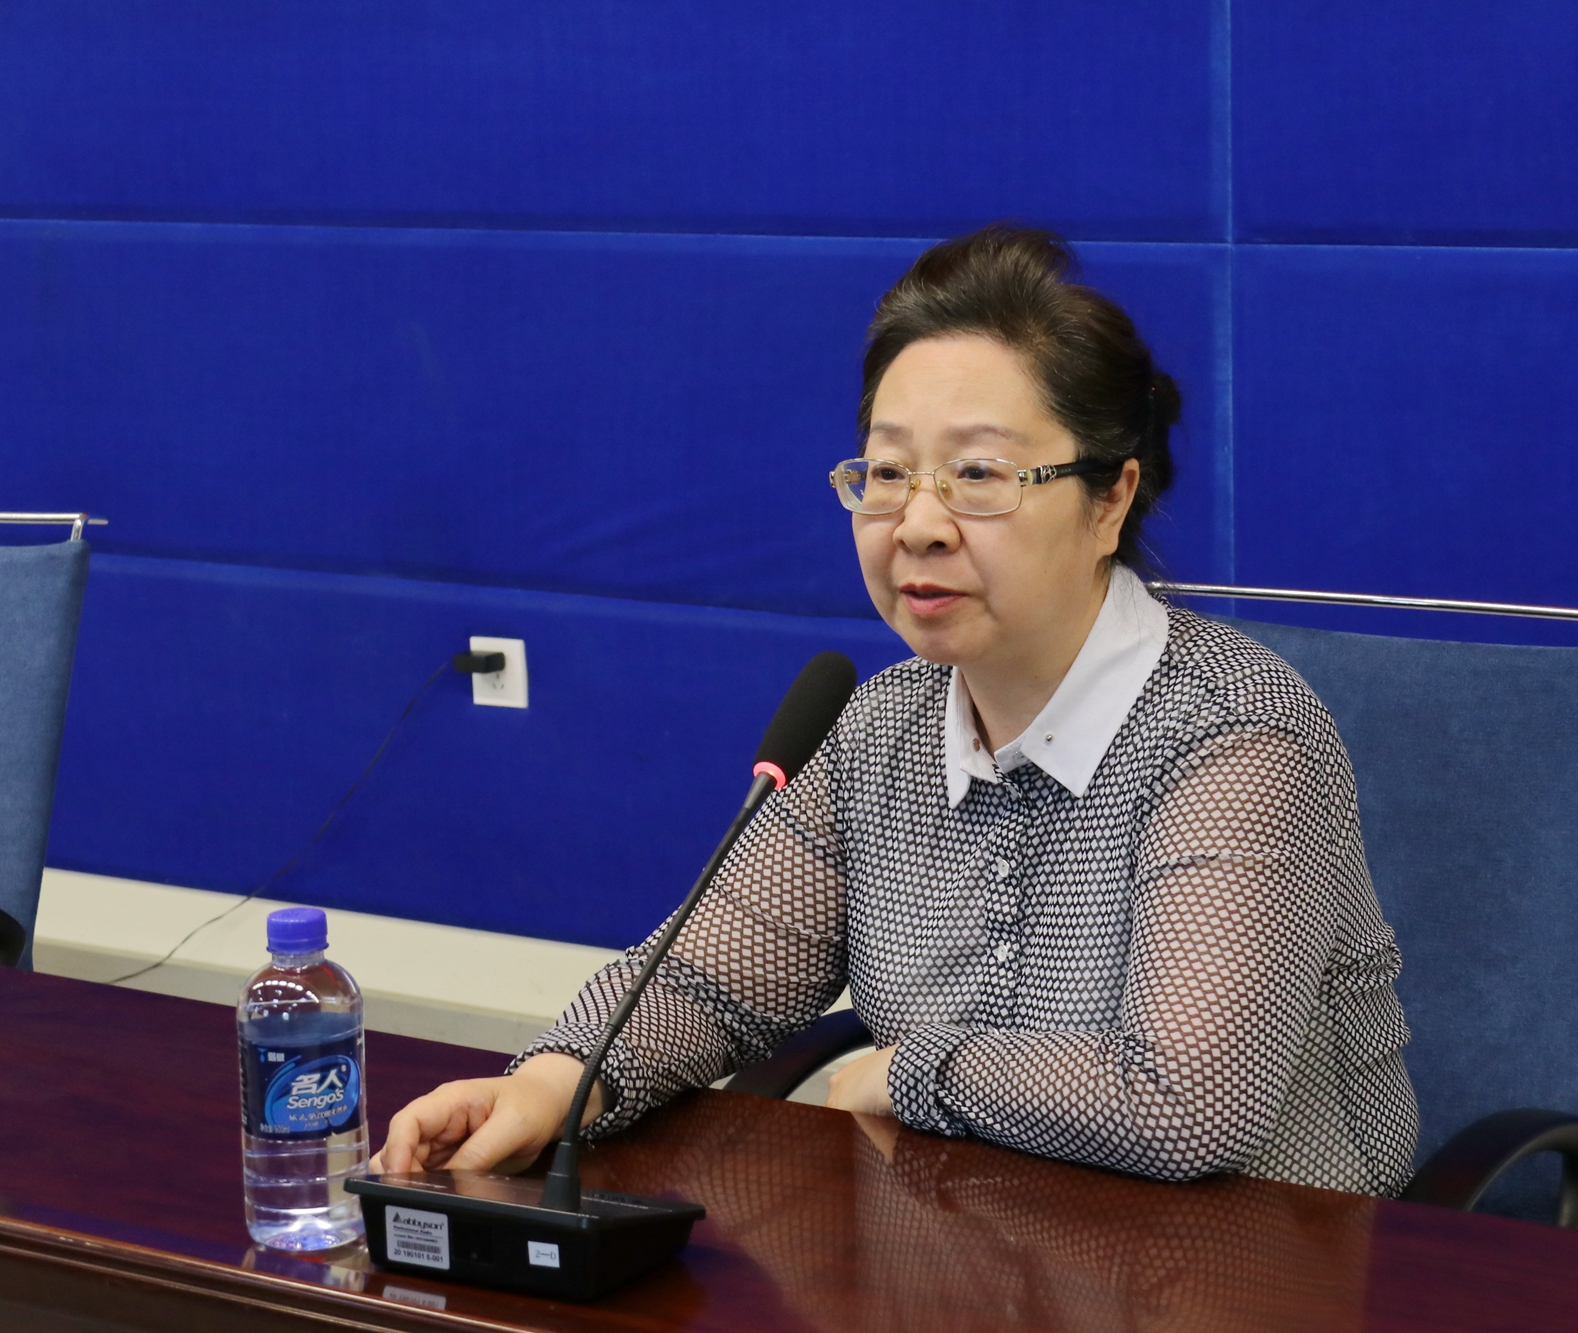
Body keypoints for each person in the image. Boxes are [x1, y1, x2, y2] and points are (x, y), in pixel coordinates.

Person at [374, 224, 1420, 1193]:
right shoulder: (880, 727)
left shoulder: (1233, 734)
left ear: (1108, 500)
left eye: (977, 474)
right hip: (966, 1242)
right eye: (886, 472)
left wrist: (909, 1071)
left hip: (1257, 1258)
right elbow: (709, 976)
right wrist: (553, 1083)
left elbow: (1189, 1105)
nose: (917, 522)